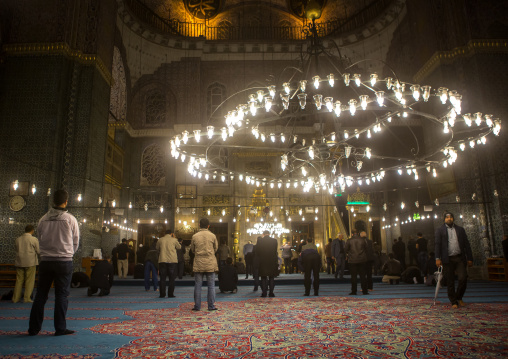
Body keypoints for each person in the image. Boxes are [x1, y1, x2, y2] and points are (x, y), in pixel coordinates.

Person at [28, 189, 79, 336]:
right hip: (64, 262)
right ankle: (60, 328)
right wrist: (67, 254)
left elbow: (40, 238)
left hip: (46, 261)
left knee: (41, 295)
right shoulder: (70, 219)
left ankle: (33, 328)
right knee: (61, 296)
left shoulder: (43, 219)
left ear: (53, 201)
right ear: (66, 201)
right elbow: (75, 242)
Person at [435, 211, 473, 308]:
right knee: (450, 281)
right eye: (447, 217)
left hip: (459, 257)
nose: (449, 219)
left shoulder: (460, 230)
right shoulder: (440, 230)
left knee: (463, 278)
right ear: (444, 219)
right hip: (447, 259)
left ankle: (459, 296)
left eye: (450, 217)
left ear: (453, 218)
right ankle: (453, 301)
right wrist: (437, 258)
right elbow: (438, 245)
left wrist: (470, 258)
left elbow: (466, 244)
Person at [191, 218, 218, 311]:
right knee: (211, 285)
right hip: (210, 262)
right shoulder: (213, 236)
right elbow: (216, 248)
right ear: (208, 226)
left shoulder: (195, 236)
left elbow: (192, 250)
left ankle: (197, 306)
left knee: (198, 285)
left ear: (199, 225)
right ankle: (211, 306)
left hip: (199, 262)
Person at [13, 225, 39, 303]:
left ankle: (15, 298)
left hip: (19, 262)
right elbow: (39, 251)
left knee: (19, 281)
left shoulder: (18, 239)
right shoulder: (33, 239)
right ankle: (27, 298)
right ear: (32, 230)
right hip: (30, 262)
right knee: (29, 281)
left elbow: (16, 249)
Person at [157, 229, 181, 298]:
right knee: (172, 278)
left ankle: (162, 294)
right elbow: (179, 247)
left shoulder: (160, 239)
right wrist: (174, 237)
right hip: (172, 261)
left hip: (162, 260)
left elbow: (157, 248)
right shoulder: (174, 240)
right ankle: (170, 294)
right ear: (171, 234)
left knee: (162, 278)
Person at [345, 230, 368, 295]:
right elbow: (366, 248)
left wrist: (349, 254)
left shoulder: (349, 240)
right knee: (363, 276)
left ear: (351, 234)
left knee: (353, 277)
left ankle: (354, 291)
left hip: (352, 260)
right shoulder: (363, 240)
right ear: (358, 233)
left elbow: (346, 249)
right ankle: (365, 291)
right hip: (362, 260)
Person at [256, 230, 278, 297]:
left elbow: (257, 252)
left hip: (263, 261)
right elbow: (275, 251)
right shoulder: (274, 241)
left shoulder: (260, 241)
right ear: (269, 234)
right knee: (271, 277)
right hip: (271, 261)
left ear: (263, 234)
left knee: (263, 278)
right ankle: (271, 293)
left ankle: (264, 293)